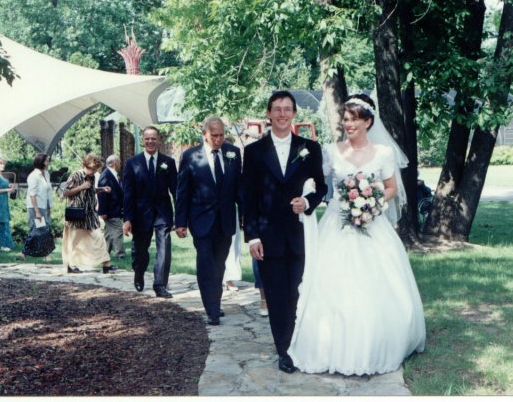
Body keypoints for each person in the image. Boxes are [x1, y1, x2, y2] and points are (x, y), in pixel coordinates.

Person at [287, 94, 426, 376]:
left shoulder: (383, 153)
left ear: (368, 122)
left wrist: (372, 202)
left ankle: (375, 342)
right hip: (336, 223)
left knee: (376, 283)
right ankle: (327, 345)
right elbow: (316, 181)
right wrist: (304, 192)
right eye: (346, 119)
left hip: (371, 223)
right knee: (330, 283)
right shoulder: (332, 151)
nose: (348, 124)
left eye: (354, 120)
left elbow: (391, 187)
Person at [242, 91, 327, 373]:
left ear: (294, 114)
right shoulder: (254, 152)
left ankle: (302, 344)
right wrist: (253, 236)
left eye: (287, 109)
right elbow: (248, 197)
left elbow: (322, 187)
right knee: (277, 297)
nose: (282, 114)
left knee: (298, 294)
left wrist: (308, 202)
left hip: (300, 234)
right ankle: (285, 351)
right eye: (277, 109)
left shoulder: (309, 148)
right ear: (268, 113)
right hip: (267, 237)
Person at [175, 117, 242, 325]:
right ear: (204, 134)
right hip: (200, 220)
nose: (218, 139)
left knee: (219, 264)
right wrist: (180, 222)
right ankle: (211, 309)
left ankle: (216, 302)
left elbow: (239, 187)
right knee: (206, 264)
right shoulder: (190, 156)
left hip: (225, 220)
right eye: (214, 135)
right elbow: (182, 191)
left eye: (221, 135)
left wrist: (246, 214)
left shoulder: (233, 153)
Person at [123, 126, 177, 297]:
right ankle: (139, 272)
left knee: (164, 249)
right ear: (143, 140)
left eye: (154, 138)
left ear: (159, 140)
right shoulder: (132, 163)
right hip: (140, 214)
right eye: (147, 138)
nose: (150, 141)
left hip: (163, 213)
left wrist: (180, 217)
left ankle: (160, 284)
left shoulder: (168, 162)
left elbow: (176, 191)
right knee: (140, 251)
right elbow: (128, 194)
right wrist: (127, 219)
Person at [61, 153, 116, 274]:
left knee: (99, 238)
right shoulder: (75, 175)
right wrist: (81, 187)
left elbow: (90, 191)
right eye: (93, 169)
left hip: (90, 214)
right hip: (77, 214)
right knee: (74, 240)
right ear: (86, 165)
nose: (95, 172)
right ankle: (71, 265)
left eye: (96, 169)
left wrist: (101, 189)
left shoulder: (92, 177)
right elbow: (65, 193)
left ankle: (106, 264)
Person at [19, 153, 54, 261]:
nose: (49, 162)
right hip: (35, 207)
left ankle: (43, 254)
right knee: (38, 229)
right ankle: (25, 253)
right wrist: (37, 211)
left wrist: (49, 207)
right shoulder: (33, 176)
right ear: (41, 162)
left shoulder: (46, 174)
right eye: (47, 160)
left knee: (44, 229)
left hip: (44, 205)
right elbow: (32, 195)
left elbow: (48, 192)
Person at [97, 155, 125, 259]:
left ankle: (104, 253)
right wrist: (103, 211)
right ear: (115, 163)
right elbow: (102, 194)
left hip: (114, 208)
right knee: (118, 231)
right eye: (120, 163)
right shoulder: (106, 175)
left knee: (108, 233)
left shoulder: (112, 174)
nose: (120, 165)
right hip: (111, 209)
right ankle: (120, 254)